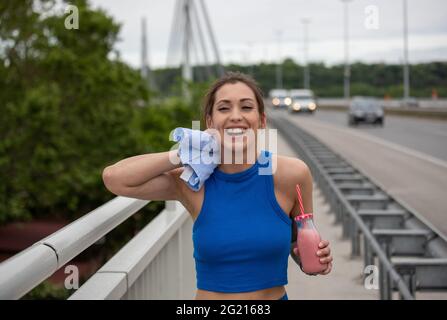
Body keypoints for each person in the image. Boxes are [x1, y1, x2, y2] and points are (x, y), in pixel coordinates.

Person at [102, 72, 333, 300]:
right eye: (224, 108)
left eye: (246, 107)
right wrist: (183, 154)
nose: (235, 116)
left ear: (261, 120)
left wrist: (312, 259)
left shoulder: (292, 174)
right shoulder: (192, 182)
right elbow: (114, 179)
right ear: (210, 123)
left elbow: (298, 239)